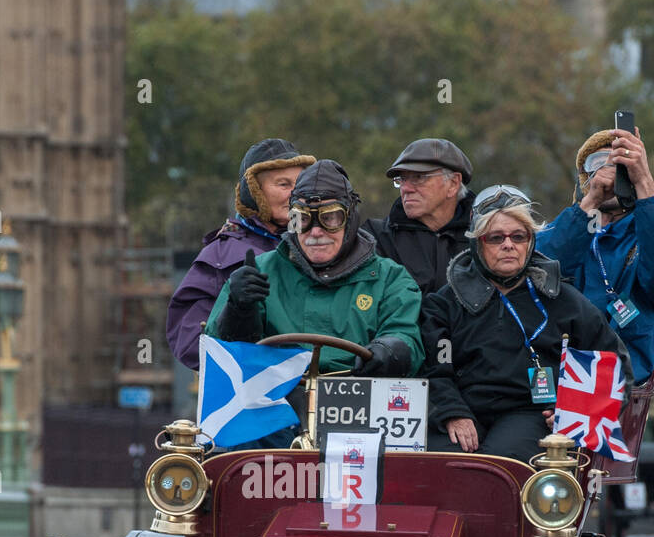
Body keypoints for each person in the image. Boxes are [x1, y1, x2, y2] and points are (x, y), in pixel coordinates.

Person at [420, 185, 631, 462]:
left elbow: (612, 362)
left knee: (501, 465)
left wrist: (577, 410)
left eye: (518, 236)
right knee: (442, 464)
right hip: (462, 408)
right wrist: (452, 413)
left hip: (531, 412)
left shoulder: (564, 300)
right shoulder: (444, 302)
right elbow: (431, 369)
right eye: (496, 238)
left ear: (530, 241)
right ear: (476, 242)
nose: (509, 245)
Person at [205, 159, 423, 380]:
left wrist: (390, 350)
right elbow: (219, 355)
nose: (316, 232)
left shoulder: (390, 279)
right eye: (302, 219)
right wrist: (237, 309)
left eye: (330, 218)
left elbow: (405, 335)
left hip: (359, 398)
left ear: (350, 220)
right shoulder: (261, 272)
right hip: (277, 400)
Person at [536, 125, 654, 383]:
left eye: (619, 166)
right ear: (584, 178)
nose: (608, 172)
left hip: (618, 378)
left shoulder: (648, 232)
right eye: (598, 163)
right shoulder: (569, 227)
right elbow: (536, 271)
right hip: (555, 374)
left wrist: (644, 182)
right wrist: (590, 202)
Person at [166, 138, 315, 369]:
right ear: (254, 192)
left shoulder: (325, 243)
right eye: (284, 185)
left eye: (300, 184)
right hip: (256, 391)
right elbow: (189, 342)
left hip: (324, 389)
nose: (294, 194)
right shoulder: (221, 254)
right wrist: (234, 310)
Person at [364, 138, 474, 297]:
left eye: (419, 177)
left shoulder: (488, 238)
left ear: (453, 183)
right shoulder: (376, 239)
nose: (405, 188)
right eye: (401, 179)